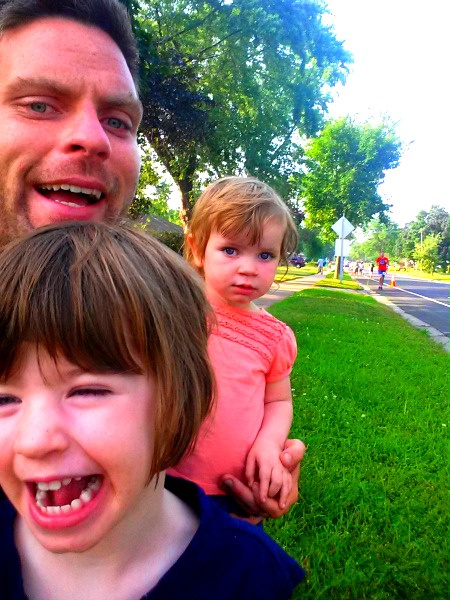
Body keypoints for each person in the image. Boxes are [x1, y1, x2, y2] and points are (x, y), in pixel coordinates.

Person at [0, 0, 305, 520]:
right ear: (196, 249)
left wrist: (223, 527)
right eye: (39, 104)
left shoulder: (141, 306)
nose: (93, 138)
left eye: (119, 120)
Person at [0, 221, 305, 599]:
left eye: (88, 391)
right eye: (4, 399)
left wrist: (268, 449)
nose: (34, 441)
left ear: (180, 398)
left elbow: (277, 400)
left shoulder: (249, 575)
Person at [169, 177, 299, 520]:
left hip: (236, 490)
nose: (248, 268)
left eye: (266, 255)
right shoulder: (173, 313)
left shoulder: (275, 337)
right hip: (160, 478)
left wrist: (269, 444)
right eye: (231, 250)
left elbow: (278, 401)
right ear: (198, 249)